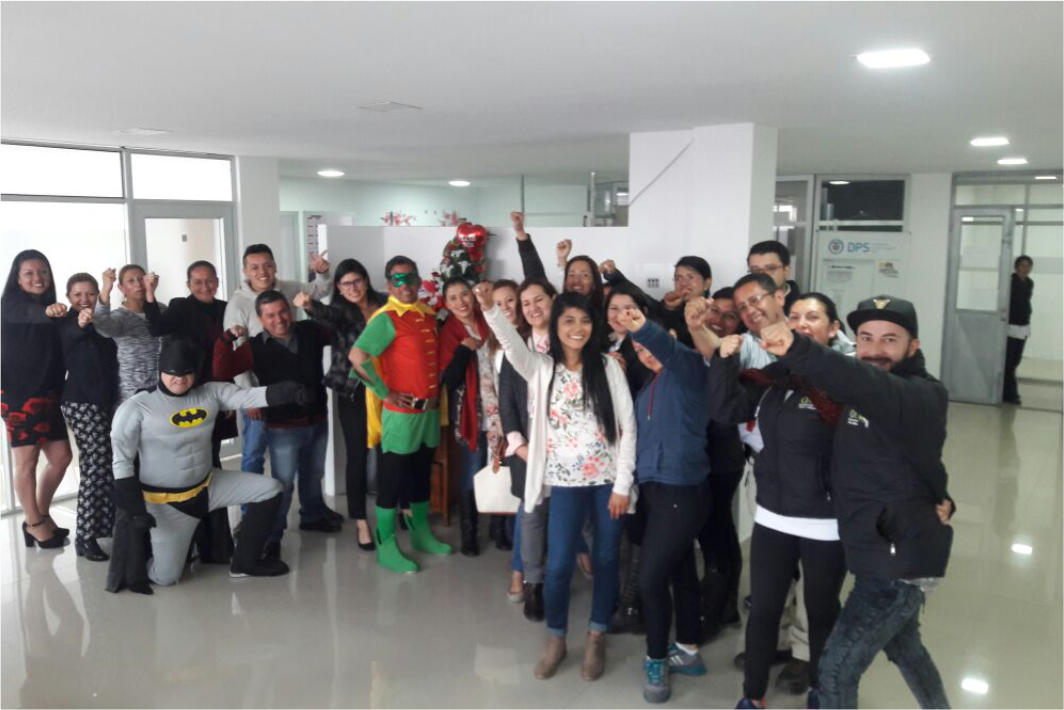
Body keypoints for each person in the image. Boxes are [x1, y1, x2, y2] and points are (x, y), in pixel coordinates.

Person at [759, 295, 955, 710]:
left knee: (835, 671)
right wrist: (941, 493)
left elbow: (864, 383)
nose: (875, 349)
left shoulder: (921, 394)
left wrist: (798, 346)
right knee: (905, 648)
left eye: (890, 339)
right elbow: (914, 457)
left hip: (896, 565)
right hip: (877, 547)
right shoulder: (861, 392)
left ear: (914, 346)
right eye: (866, 338)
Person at [475, 282, 636, 683]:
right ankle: (557, 638)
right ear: (556, 325)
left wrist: (622, 485)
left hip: (606, 484)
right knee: (560, 563)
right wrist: (490, 309)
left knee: (606, 560)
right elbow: (511, 345)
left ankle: (596, 635)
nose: (577, 328)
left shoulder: (609, 367)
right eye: (568, 321)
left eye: (584, 320)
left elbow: (628, 428)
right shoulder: (541, 368)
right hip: (564, 483)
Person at [713, 293, 851, 710]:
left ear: (833, 329)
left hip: (825, 519)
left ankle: (823, 691)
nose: (802, 322)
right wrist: (723, 360)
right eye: (795, 316)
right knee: (764, 608)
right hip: (774, 513)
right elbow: (726, 410)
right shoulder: (778, 375)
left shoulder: (847, 379)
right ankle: (752, 695)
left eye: (813, 317)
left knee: (821, 611)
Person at [110, 338, 312, 586]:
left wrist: (289, 392)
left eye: (185, 373)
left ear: (195, 372)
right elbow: (121, 462)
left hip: (209, 487)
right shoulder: (137, 407)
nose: (179, 379)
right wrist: (135, 510)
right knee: (166, 577)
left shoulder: (210, 393)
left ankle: (245, 563)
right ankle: (159, 555)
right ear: (160, 371)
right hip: (167, 504)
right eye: (172, 373)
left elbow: (248, 396)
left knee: (271, 489)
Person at [612, 306, 713, 704]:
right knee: (680, 569)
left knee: (650, 579)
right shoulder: (647, 388)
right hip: (654, 492)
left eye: (649, 343)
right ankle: (688, 650)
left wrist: (642, 327)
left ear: (668, 338)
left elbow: (671, 351)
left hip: (681, 491)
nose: (645, 352)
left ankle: (656, 659)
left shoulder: (689, 371)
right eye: (638, 348)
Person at [213, 291, 339, 563]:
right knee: (284, 485)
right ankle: (272, 538)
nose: (279, 319)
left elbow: (339, 327)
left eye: (283, 311)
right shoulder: (254, 347)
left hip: (318, 420)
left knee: (313, 475)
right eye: (270, 315)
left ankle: (312, 516)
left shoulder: (310, 331)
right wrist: (227, 339)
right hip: (283, 428)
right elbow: (221, 370)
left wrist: (312, 306)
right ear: (260, 319)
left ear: (290, 310)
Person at [349, 256, 453, 573]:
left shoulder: (427, 315)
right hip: (401, 415)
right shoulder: (386, 318)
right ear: (388, 285)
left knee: (421, 476)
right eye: (397, 279)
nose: (404, 285)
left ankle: (420, 534)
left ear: (419, 281)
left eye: (409, 278)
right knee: (391, 481)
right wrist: (385, 393)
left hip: (429, 413)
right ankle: (386, 545)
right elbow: (357, 356)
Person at [222, 244, 334, 505]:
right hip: (256, 394)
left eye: (267, 265)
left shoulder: (289, 287)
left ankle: (312, 512)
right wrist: (250, 398)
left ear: (275, 265)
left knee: (302, 460)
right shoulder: (237, 303)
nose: (262, 271)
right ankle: (251, 516)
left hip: (291, 394)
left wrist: (322, 273)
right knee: (254, 454)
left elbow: (319, 291)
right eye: (254, 267)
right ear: (245, 271)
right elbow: (237, 354)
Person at [143, 261, 235, 564]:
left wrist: (230, 395)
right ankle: (187, 543)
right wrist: (150, 294)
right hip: (184, 397)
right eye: (198, 282)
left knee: (211, 466)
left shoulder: (226, 308)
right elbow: (156, 328)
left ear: (217, 281)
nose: (204, 287)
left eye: (209, 281)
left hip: (215, 396)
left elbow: (230, 355)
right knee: (186, 468)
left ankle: (216, 546)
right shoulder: (181, 307)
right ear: (188, 284)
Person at [294, 258, 385, 550]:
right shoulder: (342, 311)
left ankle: (393, 512)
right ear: (339, 287)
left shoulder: (384, 303)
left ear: (366, 280)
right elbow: (327, 315)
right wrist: (309, 305)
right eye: (346, 284)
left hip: (386, 389)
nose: (353, 287)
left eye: (357, 281)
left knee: (389, 452)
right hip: (353, 390)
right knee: (357, 455)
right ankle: (361, 522)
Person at [0, 250, 72, 548]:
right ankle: (34, 523)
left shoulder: (51, 308)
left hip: (49, 394)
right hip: (19, 395)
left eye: (43, 271)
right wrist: (47, 312)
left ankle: (38, 515)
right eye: (29, 273)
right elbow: (27, 314)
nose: (37, 278)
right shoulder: (10, 304)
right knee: (27, 461)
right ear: (17, 279)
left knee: (62, 458)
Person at [499, 276, 558, 621]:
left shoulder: (571, 339)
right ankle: (534, 584)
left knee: (575, 518)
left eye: (539, 300)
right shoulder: (517, 347)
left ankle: (568, 576)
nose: (533, 308)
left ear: (553, 300)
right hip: (528, 449)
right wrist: (518, 445)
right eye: (526, 303)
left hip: (567, 450)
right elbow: (506, 400)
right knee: (533, 516)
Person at [692, 287, 746, 640]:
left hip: (722, 456)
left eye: (729, 316)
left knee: (715, 530)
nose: (720, 320)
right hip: (702, 453)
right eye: (716, 311)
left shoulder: (736, 354)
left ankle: (714, 612)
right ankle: (725, 605)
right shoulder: (697, 347)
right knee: (719, 529)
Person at [602, 282, 655, 635]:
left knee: (639, 523)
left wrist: (621, 374)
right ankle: (622, 596)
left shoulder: (645, 347)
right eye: (613, 308)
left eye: (627, 308)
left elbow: (646, 396)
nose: (619, 315)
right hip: (610, 448)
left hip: (640, 445)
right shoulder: (605, 344)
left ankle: (633, 601)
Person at [438, 277, 503, 557]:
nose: (461, 302)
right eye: (453, 298)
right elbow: (449, 380)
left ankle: (499, 529)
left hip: (500, 408)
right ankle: (469, 532)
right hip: (471, 414)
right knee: (472, 472)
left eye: (464, 294)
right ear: (446, 303)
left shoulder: (490, 318)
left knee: (500, 467)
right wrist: (464, 349)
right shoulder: (449, 332)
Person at [57, 273, 119, 561]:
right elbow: (74, 333)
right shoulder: (65, 321)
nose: (84, 300)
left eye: (90, 294)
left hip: (106, 401)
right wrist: (82, 321)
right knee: (95, 467)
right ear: (68, 297)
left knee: (105, 466)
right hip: (81, 401)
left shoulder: (103, 321)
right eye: (77, 295)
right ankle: (84, 536)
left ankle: (104, 527)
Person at [601, 256, 713, 347]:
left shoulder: (715, 310)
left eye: (691, 277)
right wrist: (613, 274)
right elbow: (639, 296)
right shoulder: (667, 306)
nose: (683, 283)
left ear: (707, 283)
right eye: (678, 278)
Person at [93, 264, 164, 403]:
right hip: (132, 392)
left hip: (164, 390)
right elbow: (102, 326)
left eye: (141, 279)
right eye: (131, 281)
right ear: (121, 288)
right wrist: (106, 288)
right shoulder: (120, 317)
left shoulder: (162, 310)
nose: (138, 284)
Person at [511, 211, 606, 312]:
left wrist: (612, 274)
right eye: (571, 275)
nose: (576, 280)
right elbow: (534, 273)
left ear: (594, 283)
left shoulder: (603, 313)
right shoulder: (557, 308)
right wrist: (520, 233)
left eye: (584, 275)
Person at [1003, 255, 1034, 405]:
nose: (1025, 268)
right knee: (1009, 361)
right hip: (1011, 326)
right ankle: (1010, 393)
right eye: (1022, 265)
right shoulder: (1009, 281)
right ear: (1016, 267)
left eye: (1028, 265)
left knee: (1015, 360)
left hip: (1023, 325)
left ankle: (1007, 392)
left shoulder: (1030, 283)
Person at [748, 241, 801, 312]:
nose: (762, 275)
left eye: (770, 268)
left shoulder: (803, 308)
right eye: (755, 270)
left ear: (786, 271)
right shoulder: (744, 307)